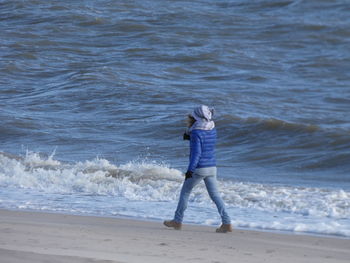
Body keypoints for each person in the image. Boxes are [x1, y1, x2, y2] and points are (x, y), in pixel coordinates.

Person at [164, 105, 232, 233]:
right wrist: (190, 137)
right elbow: (207, 142)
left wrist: (190, 170)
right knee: (216, 196)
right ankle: (227, 222)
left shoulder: (196, 132)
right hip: (212, 167)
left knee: (185, 192)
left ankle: (177, 221)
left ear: (196, 118)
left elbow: (197, 153)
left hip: (199, 168)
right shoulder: (211, 127)